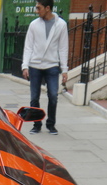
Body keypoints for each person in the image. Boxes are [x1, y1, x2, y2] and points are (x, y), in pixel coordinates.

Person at [21, 0, 68, 135]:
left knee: (53, 95)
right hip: (35, 66)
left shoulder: (61, 25)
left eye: (39, 8)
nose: (37, 10)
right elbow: (28, 46)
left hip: (52, 65)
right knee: (34, 98)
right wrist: (25, 66)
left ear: (48, 8)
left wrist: (64, 69)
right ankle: (36, 124)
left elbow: (63, 48)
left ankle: (51, 124)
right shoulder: (34, 25)